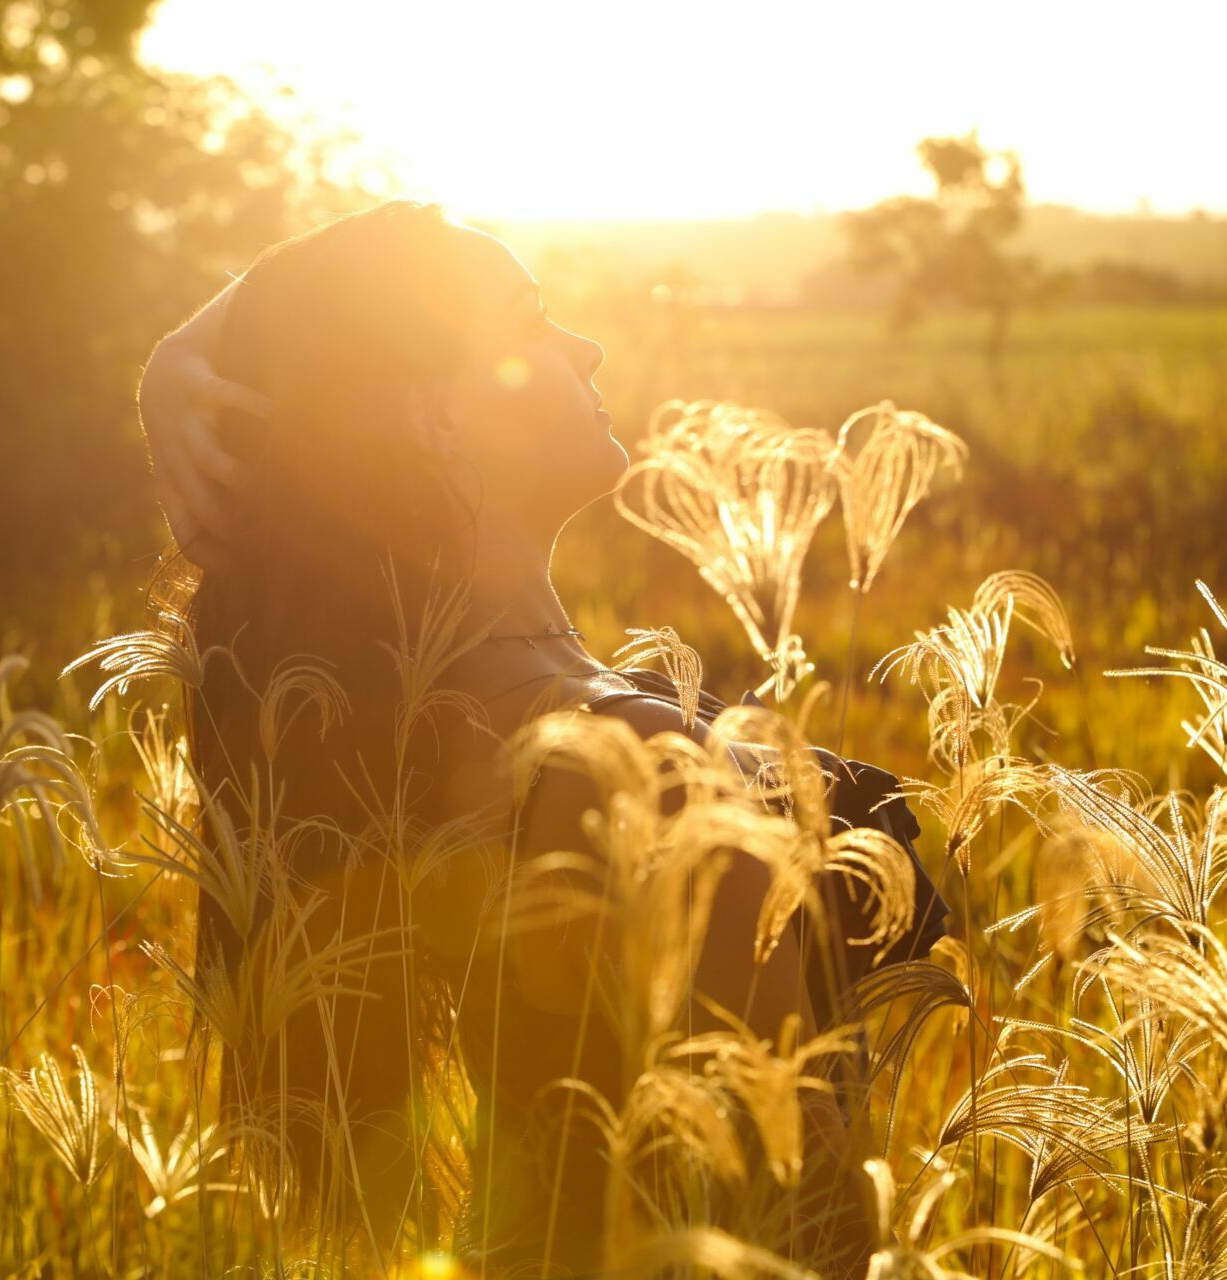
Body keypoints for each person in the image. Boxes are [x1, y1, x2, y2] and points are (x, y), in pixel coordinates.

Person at [135, 199, 949, 1277]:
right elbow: (796, 1221)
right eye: (530, 323)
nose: (585, 345)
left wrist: (177, 360)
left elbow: (352, 304)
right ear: (429, 417)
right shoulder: (640, 774)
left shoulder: (446, 705)